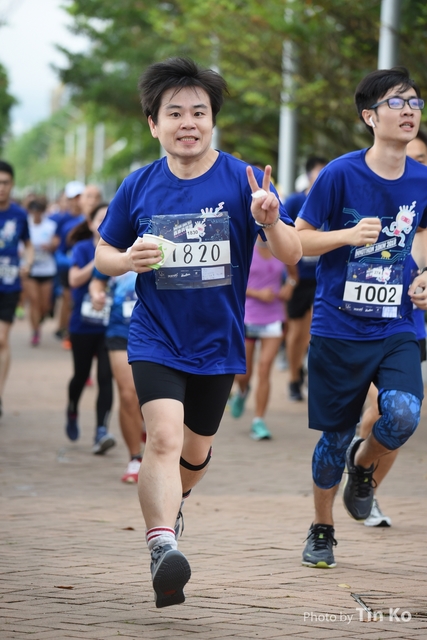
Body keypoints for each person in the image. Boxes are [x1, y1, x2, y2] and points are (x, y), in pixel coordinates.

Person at [94, 57, 301, 608]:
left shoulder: (244, 180)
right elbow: (103, 253)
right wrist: (127, 260)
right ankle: (162, 546)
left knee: (193, 454)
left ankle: (173, 503)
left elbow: (292, 253)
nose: (188, 122)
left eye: (199, 112)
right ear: (153, 124)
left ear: (212, 120)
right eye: (174, 113)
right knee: (162, 438)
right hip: (155, 335)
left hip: (218, 342)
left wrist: (270, 220)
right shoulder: (138, 184)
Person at [295, 66, 427, 569]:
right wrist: (347, 236)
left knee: (403, 413)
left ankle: (363, 463)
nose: (409, 111)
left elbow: (423, 234)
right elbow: (299, 240)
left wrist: (424, 273)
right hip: (338, 325)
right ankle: (322, 528)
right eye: (396, 102)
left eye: (414, 102)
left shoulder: (423, 179)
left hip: (396, 323)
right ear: (370, 117)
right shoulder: (340, 174)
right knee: (334, 435)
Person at [359, 127, 427, 528]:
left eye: (421, 159)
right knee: (375, 413)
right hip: (353, 327)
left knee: (397, 414)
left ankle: (367, 488)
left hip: (406, 330)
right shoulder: (365, 197)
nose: (413, 166)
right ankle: (355, 463)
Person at [65, 203, 115, 454]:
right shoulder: (83, 248)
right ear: (90, 223)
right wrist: (101, 259)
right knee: (80, 375)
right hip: (83, 324)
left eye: (110, 217)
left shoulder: (123, 247)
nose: (104, 223)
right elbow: (74, 279)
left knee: (105, 378)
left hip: (110, 325)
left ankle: (101, 431)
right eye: (99, 219)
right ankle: (72, 408)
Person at [90, 269, 146, 483]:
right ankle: (135, 458)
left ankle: (146, 423)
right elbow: (97, 280)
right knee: (128, 395)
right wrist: (97, 294)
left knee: (149, 396)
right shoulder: (117, 246)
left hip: (160, 329)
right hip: (121, 328)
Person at [229, 239, 289, 440]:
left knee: (265, 368)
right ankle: (242, 391)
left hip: (274, 316)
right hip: (249, 316)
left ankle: (258, 421)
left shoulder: (280, 247)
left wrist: (290, 286)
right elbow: (234, 281)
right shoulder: (246, 248)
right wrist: (258, 293)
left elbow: (293, 276)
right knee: (243, 373)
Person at [283, 156, 328, 401]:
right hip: (299, 276)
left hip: (324, 276)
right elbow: (280, 237)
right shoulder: (294, 202)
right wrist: (290, 277)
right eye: (318, 174)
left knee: (315, 331)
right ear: (309, 176)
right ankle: (293, 377)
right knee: (297, 331)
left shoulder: (334, 199)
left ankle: (313, 376)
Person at [0, 160, 34, 417]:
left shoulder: (19, 215)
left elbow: (28, 244)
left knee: (1, 339)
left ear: (12, 184)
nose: (1, 187)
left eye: (5, 183)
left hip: (9, 284)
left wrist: (28, 263)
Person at [53, 181, 85, 348]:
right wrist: (71, 262)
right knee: (69, 300)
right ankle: (67, 332)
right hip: (70, 269)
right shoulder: (64, 222)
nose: (77, 201)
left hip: (91, 268)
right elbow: (59, 251)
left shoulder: (93, 219)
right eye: (74, 197)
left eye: (80, 197)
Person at [23, 196, 58, 346]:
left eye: (39, 211)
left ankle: (41, 318)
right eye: (33, 210)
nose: (36, 214)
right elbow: (21, 244)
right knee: (34, 301)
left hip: (47, 269)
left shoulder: (50, 226)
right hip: (30, 269)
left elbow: (56, 243)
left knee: (44, 305)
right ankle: (35, 331)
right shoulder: (25, 224)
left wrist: (50, 246)